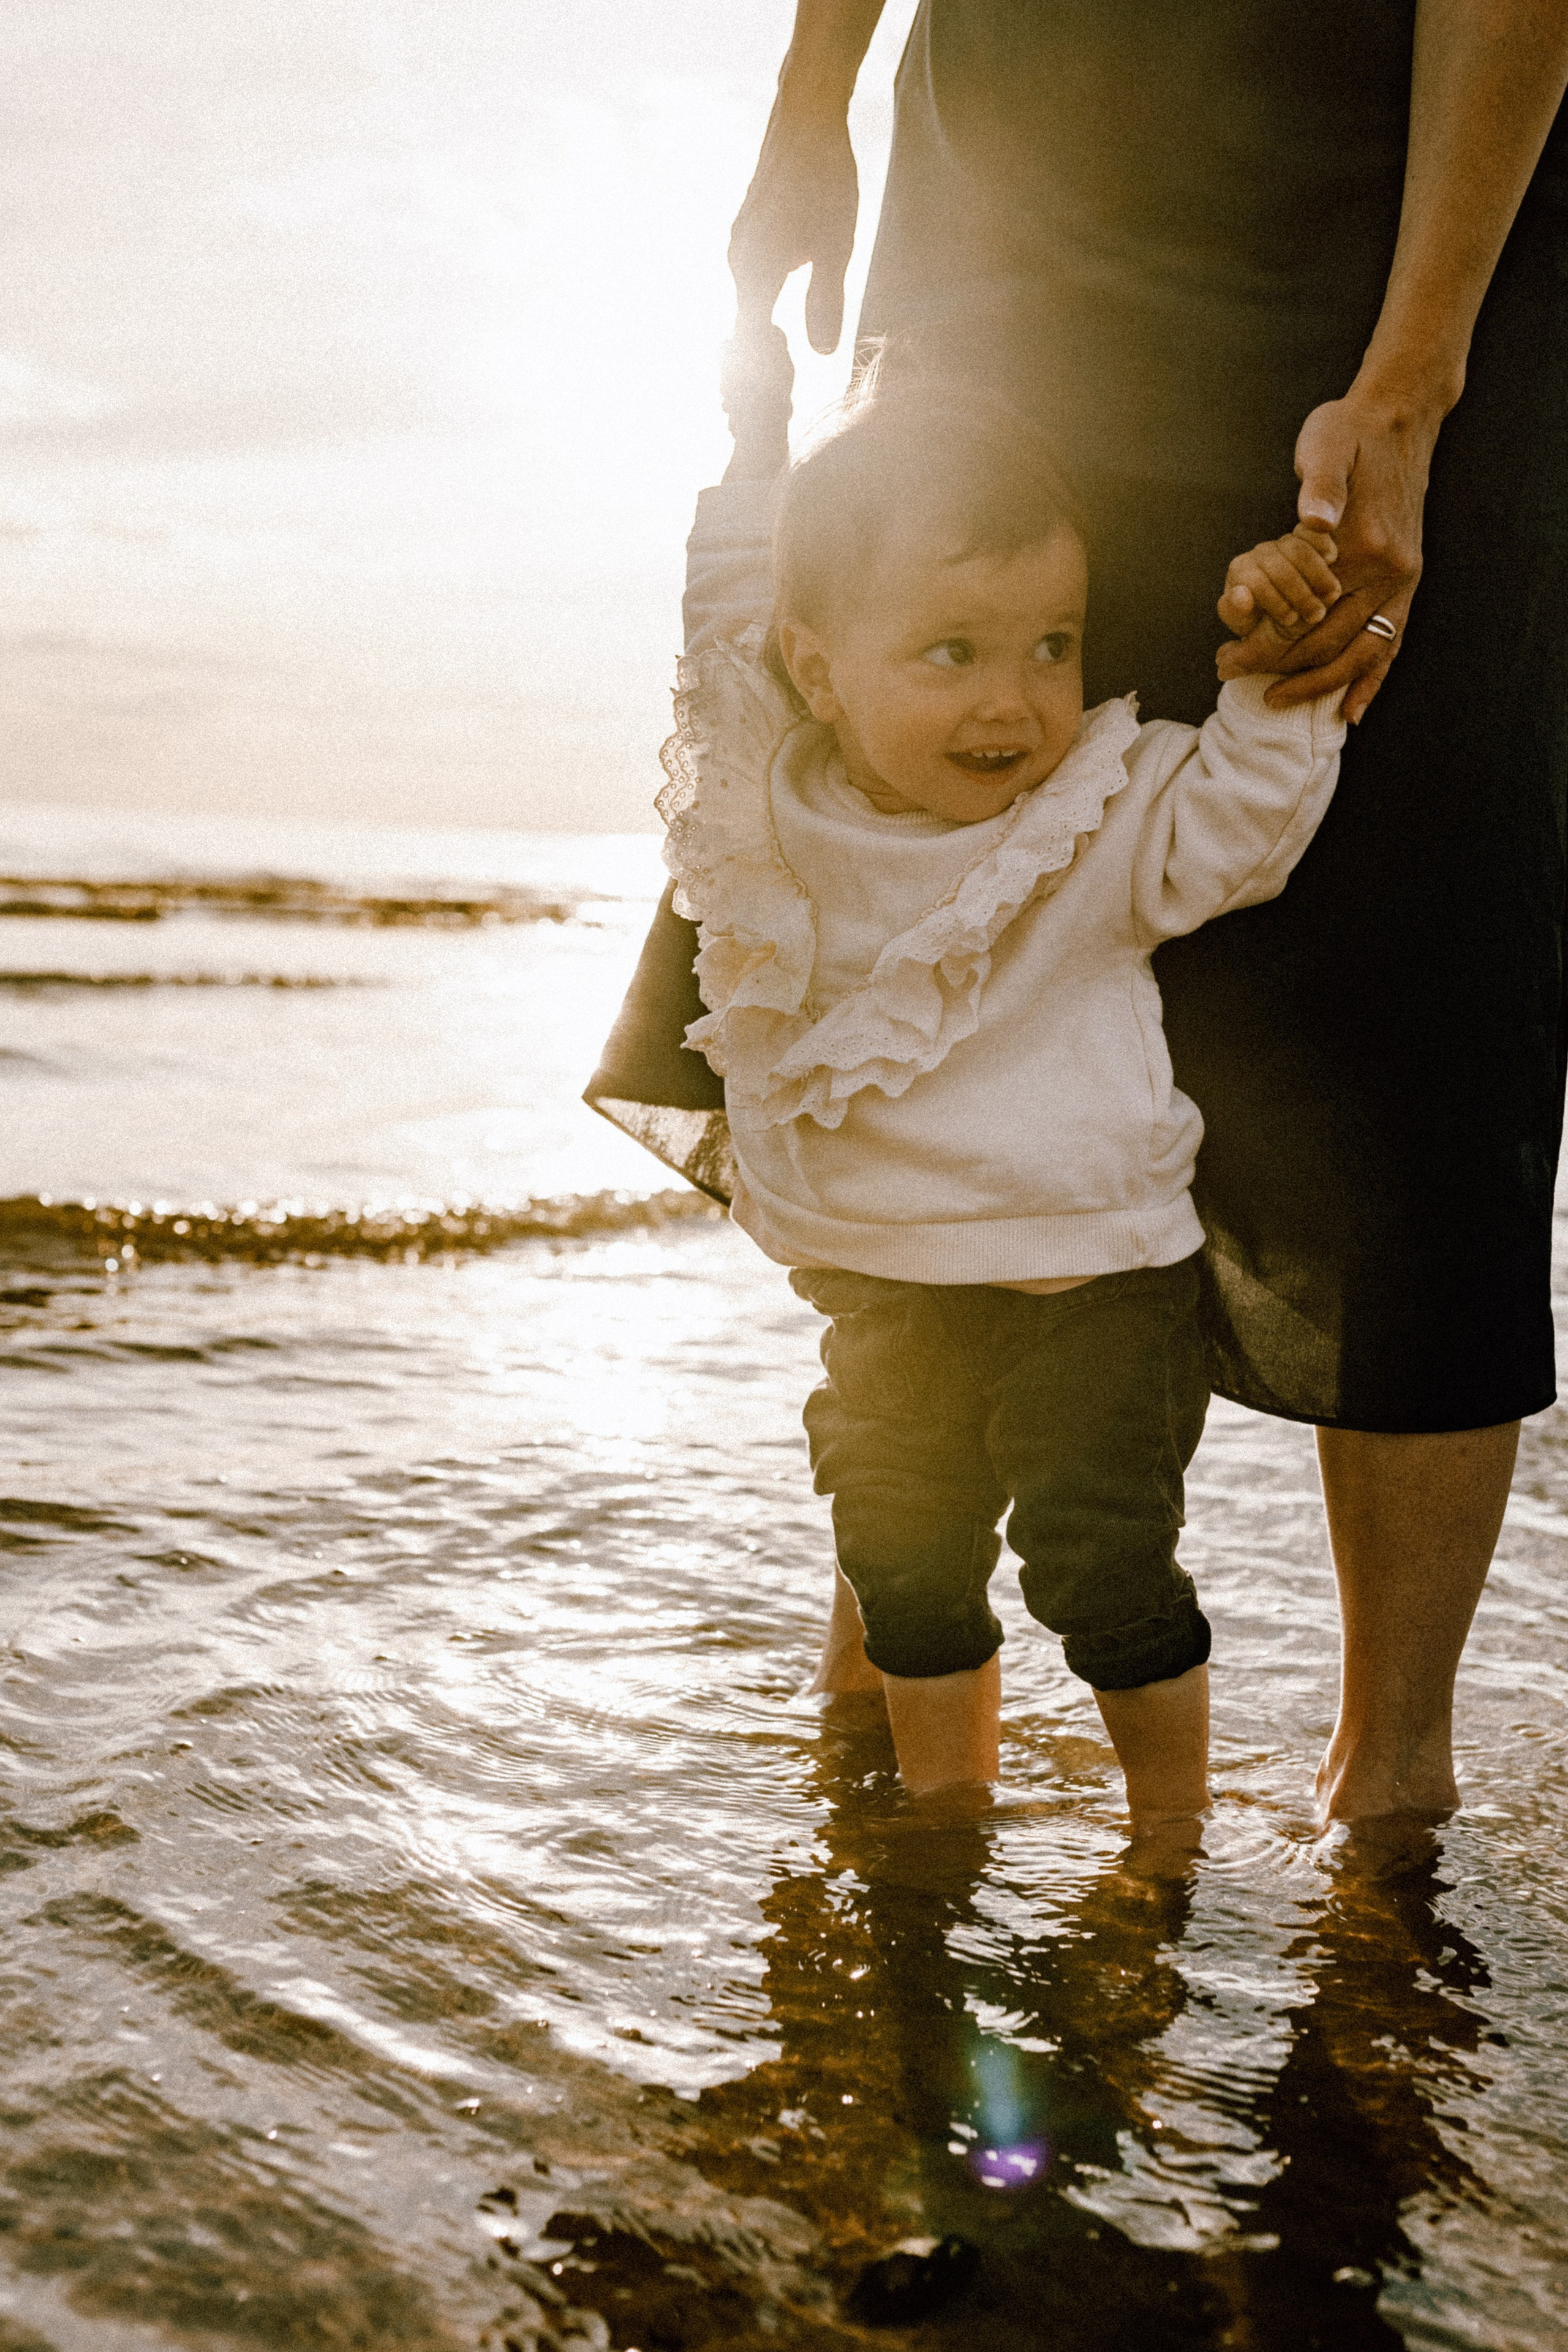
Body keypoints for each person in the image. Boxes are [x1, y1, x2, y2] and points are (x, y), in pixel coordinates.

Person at [589, 1, 1568, 1834]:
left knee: (1411, 941)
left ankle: (1389, 1794)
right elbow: (754, 625)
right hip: (1020, 186)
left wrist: (1413, 375)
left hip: (1392, 201)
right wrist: (807, 105)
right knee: (901, 781)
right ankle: (897, 1689)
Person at [655, 344, 1344, 1831]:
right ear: (818, 672)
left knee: (1097, 1565)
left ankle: (1165, 1838)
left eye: (1049, 643)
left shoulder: (1095, 809)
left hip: (1091, 1276)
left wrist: (1275, 678)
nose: (1013, 700)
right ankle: (944, 1811)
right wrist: (754, 416)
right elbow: (728, 598)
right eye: (950, 652)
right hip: (881, 1283)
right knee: (901, 1558)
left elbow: (1244, 823)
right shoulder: (766, 791)